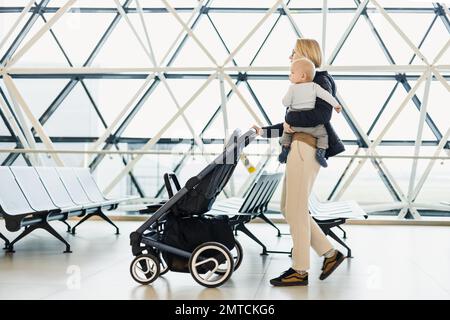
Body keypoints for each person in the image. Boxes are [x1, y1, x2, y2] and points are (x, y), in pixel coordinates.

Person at [252, 38, 345, 286]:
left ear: (304, 54)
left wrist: (290, 117)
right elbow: (288, 126)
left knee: (295, 209)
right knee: (288, 208)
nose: (289, 57)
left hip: (306, 147)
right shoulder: (307, 82)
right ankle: (330, 253)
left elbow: (322, 115)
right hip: (299, 145)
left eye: (292, 52)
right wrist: (264, 131)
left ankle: (300, 270)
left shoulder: (320, 80)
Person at [279, 57, 342, 167]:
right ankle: (321, 152)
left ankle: (285, 148)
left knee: (286, 132)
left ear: (302, 76)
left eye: (292, 73)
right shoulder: (315, 86)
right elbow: (326, 96)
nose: (290, 75)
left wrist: (288, 115)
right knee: (323, 135)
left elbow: (285, 102)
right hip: (313, 128)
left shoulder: (292, 88)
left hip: (295, 125)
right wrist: (336, 105)